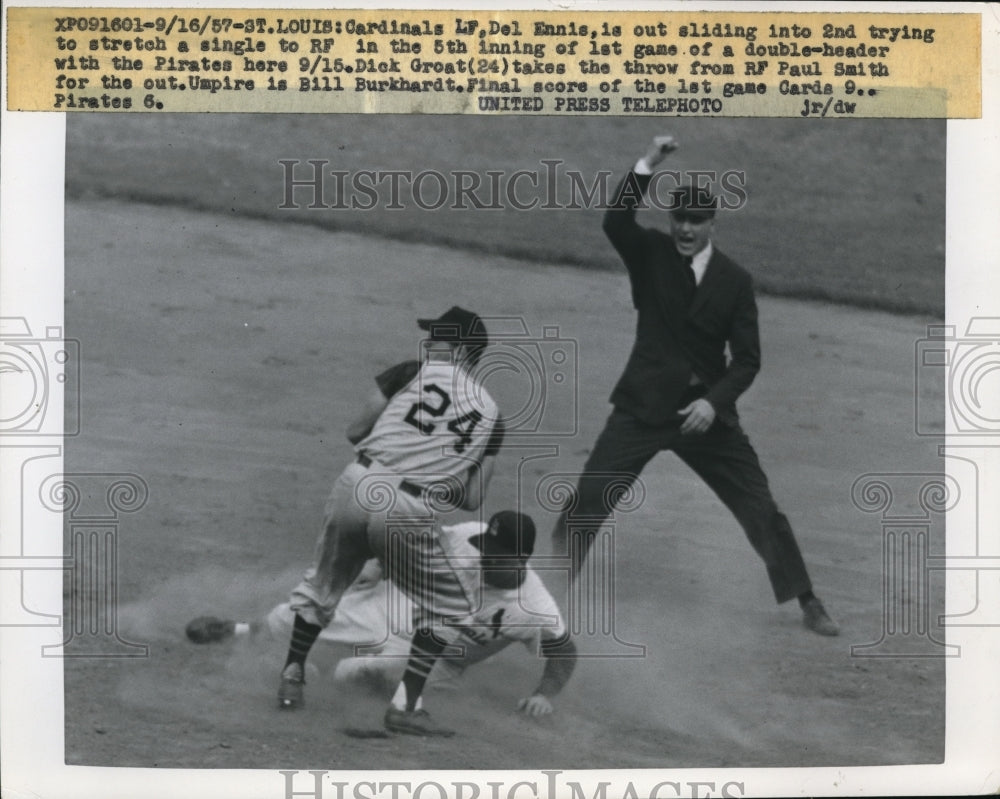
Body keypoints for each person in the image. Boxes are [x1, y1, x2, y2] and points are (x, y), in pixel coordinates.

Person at [552, 135, 839, 637]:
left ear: (712, 225)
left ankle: (808, 600)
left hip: (704, 416)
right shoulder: (650, 255)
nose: (685, 229)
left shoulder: (734, 281)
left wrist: (713, 401)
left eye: (695, 221)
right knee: (588, 499)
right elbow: (614, 222)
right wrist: (647, 164)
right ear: (671, 222)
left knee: (759, 507)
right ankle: (548, 592)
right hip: (642, 407)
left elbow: (747, 361)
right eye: (678, 220)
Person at [277, 306, 506, 717]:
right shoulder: (491, 417)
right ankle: (406, 706)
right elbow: (472, 499)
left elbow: (355, 431)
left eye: (437, 338)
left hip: (358, 483)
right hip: (408, 508)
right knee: (448, 608)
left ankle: (293, 674)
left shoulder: (407, 372)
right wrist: (431, 472)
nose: (429, 343)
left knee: (324, 585)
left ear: (459, 349)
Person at [185, 512, 577, 736]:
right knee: (308, 613)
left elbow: (564, 652)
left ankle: (313, 670)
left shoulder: (534, 607)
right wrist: (380, 564)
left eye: (497, 555)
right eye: (485, 550)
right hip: (401, 605)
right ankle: (243, 631)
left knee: (353, 674)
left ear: (520, 560)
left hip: (441, 659)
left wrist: (545, 694)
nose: (485, 558)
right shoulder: (470, 535)